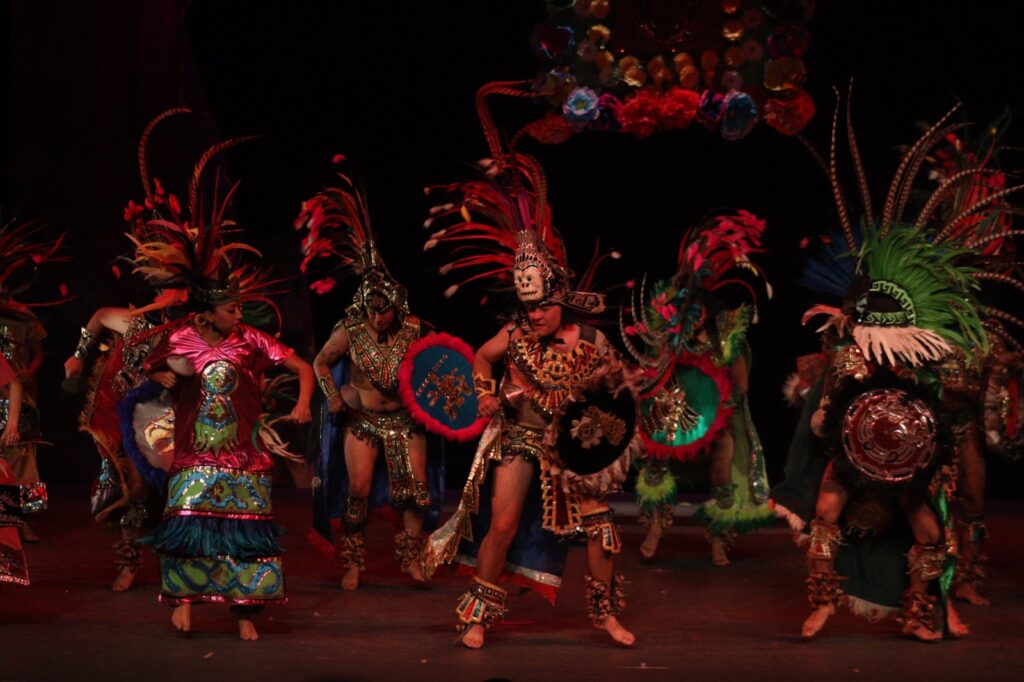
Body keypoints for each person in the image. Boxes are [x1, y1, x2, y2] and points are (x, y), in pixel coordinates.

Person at [420, 153, 635, 648]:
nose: (534, 315)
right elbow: (479, 357)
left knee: (600, 524)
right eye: (528, 307)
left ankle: (604, 615)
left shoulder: (591, 342)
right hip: (518, 439)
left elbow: (616, 391)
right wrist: (485, 393)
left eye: (542, 307)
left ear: (562, 299)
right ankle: (478, 617)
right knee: (503, 523)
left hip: (572, 451)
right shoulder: (512, 336)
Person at [130, 138, 314, 640]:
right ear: (208, 311)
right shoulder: (180, 337)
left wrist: (301, 400)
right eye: (231, 309)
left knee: (245, 534)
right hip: (194, 453)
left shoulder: (252, 338)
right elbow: (148, 368)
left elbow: (303, 367)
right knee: (189, 527)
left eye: (239, 308)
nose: (239, 314)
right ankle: (184, 603)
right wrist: (162, 375)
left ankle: (244, 613)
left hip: (245, 453)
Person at [297, 163, 442, 590]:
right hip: (362, 420)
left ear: (397, 304)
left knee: (415, 492)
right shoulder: (350, 329)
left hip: (406, 421)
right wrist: (333, 397)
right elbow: (320, 363)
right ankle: (353, 561)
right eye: (372, 309)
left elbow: (439, 370)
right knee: (358, 488)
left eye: (385, 309)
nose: (379, 317)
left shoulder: (417, 329)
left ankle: (412, 558)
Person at [622, 211, 773, 565]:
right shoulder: (670, 338)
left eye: (694, 310)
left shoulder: (725, 340)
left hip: (716, 421)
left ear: (704, 310)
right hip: (673, 418)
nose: (691, 317)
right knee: (654, 465)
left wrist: (717, 412)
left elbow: (741, 385)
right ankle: (656, 526)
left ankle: (720, 537)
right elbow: (653, 375)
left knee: (722, 468)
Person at [0, 353, 30, 585]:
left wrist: (12, 422)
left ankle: (30, 518)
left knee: (28, 469)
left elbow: (16, 381)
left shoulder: (25, 324)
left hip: (19, 411)